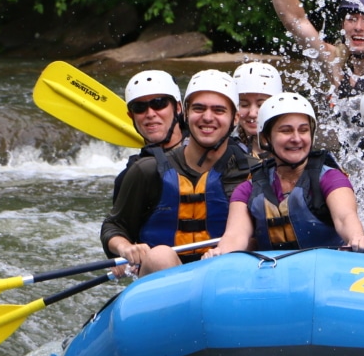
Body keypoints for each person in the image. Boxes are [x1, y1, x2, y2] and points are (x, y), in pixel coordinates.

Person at [207, 92, 364, 258]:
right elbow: (235, 235)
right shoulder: (248, 189)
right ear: (267, 138)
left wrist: (356, 238)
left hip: (327, 271)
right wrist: (221, 251)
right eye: (286, 131)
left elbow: (345, 217)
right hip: (272, 274)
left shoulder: (330, 178)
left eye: (303, 130)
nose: (297, 139)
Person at [101, 69, 253, 277]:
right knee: (160, 256)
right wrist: (125, 248)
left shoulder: (253, 171)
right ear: (186, 113)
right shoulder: (146, 170)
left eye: (219, 110)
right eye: (199, 109)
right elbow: (114, 226)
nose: (208, 117)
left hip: (227, 274)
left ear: (235, 118)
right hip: (164, 275)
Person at [112, 70, 187, 202]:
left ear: (178, 108)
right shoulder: (129, 179)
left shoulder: (213, 153)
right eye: (139, 107)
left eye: (159, 103)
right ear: (131, 116)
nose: (150, 113)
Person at [233, 61, 284, 159]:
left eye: (261, 105)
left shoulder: (294, 147)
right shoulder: (224, 147)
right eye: (243, 105)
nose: (252, 113)